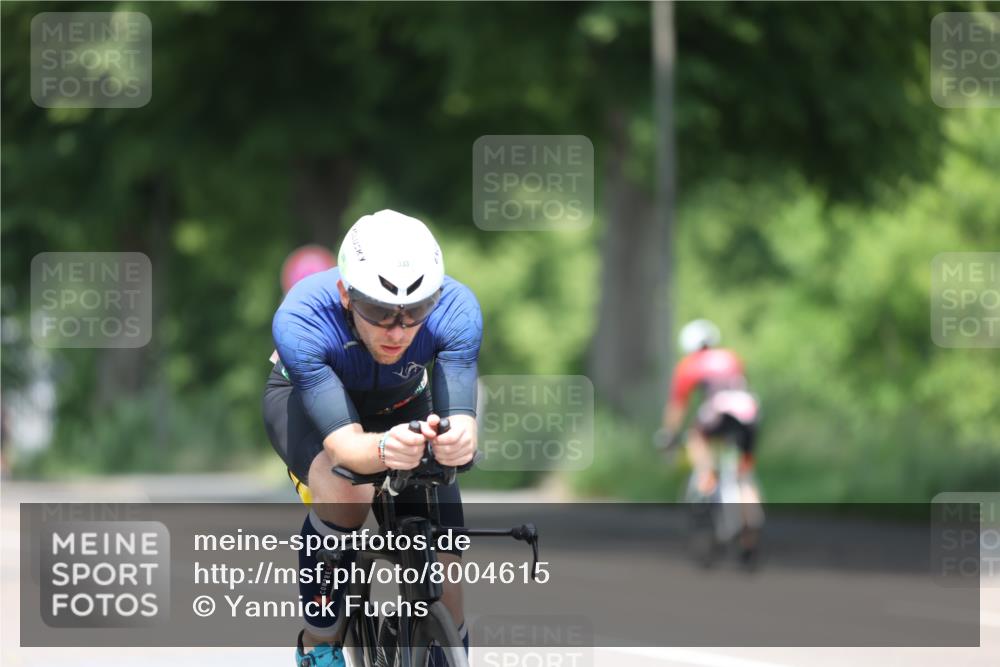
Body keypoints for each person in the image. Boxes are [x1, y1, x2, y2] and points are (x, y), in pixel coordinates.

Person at [262, 209, 482, 667]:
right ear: (346, 295)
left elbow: (462, 420)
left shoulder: (457, 309)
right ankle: (319, 642)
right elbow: (345, 445)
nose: (397, 330)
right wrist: (384, 449)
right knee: (347, 487)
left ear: (435, 298)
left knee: (444, 535)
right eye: (379, 312)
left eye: (416, 311)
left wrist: (458, 440)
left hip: (405, 401)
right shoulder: (302, 317)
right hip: (309, 405)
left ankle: (446, 649)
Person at [660, 319, 763, 554]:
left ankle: (707, 478)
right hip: (749, 413)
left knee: (697, 439)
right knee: (744, 475)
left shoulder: (689, 365)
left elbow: (677, 406)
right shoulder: (730, 357)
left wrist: (668, 435)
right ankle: (751, 527)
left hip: (718, 413)